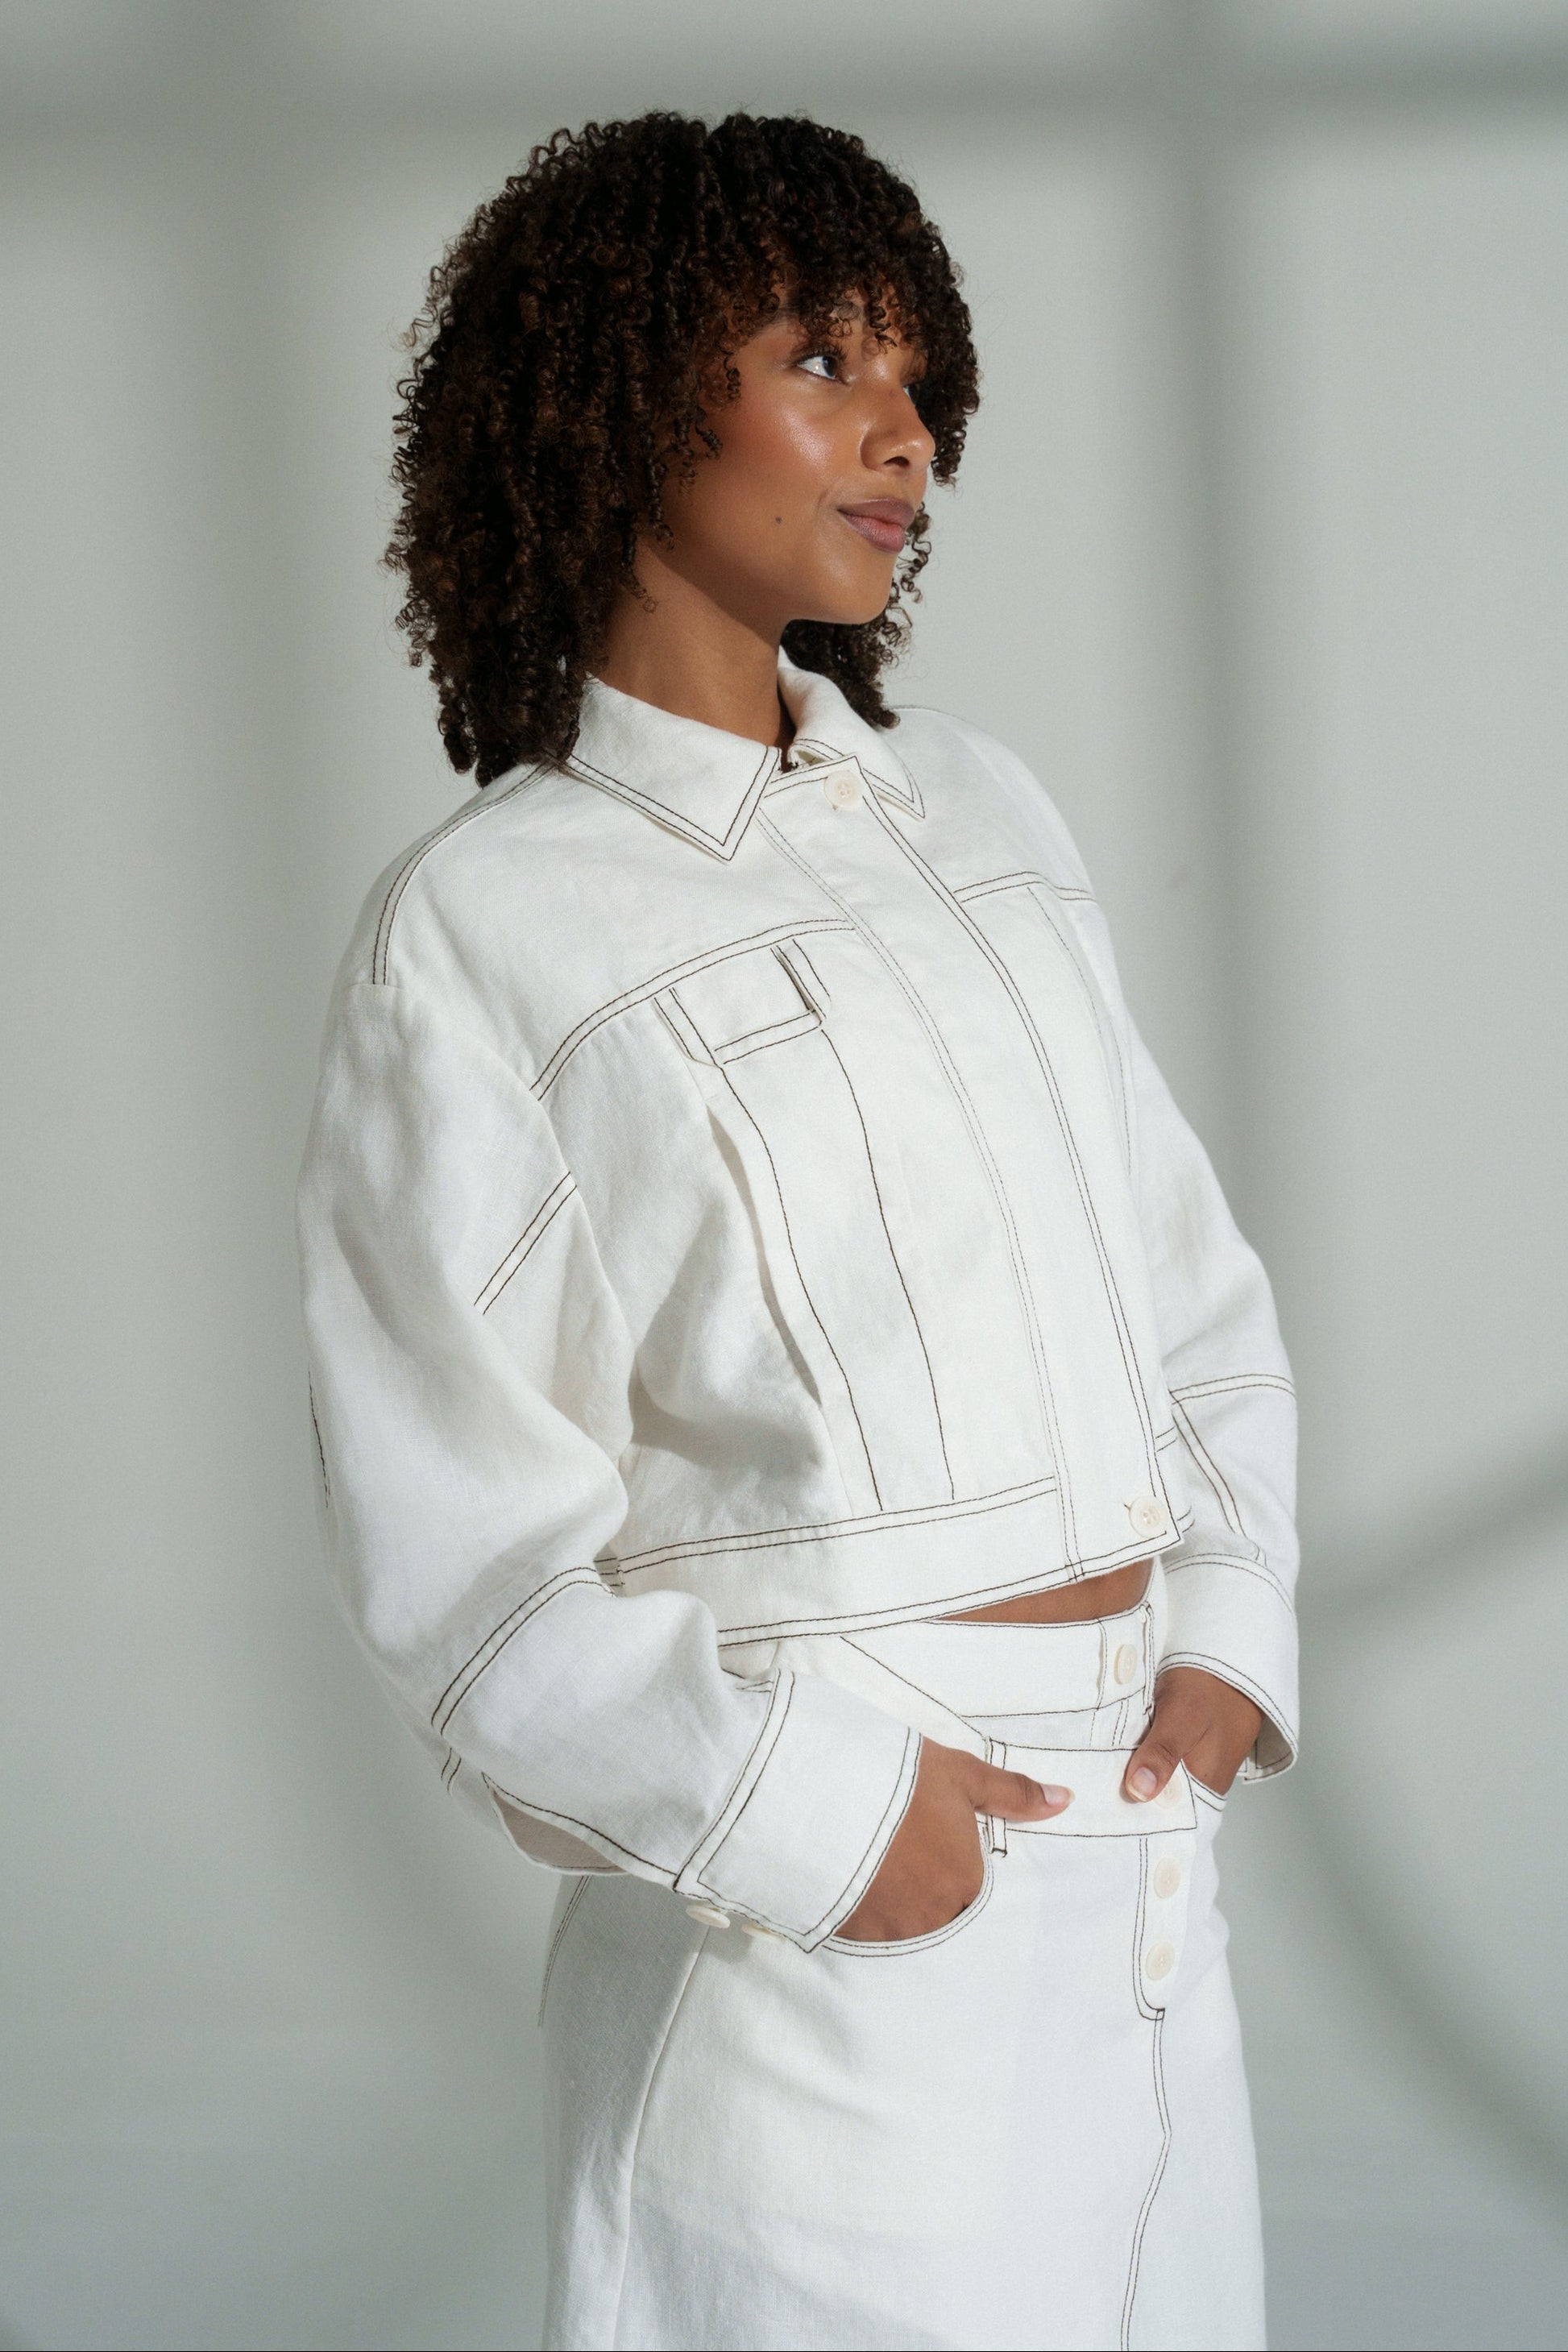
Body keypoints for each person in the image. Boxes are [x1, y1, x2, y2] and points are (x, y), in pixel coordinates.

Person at [296, 111, 1298, 2352]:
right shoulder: (486, 926)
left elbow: (1181, 1276)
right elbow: (457, 1547)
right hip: (827, 1924)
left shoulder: (983, 816)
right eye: (825, 361)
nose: (902, 433)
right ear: (622, 387)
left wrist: (1226, 1625)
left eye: (921, 378)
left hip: (1144, 1878)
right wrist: (832, 1825)